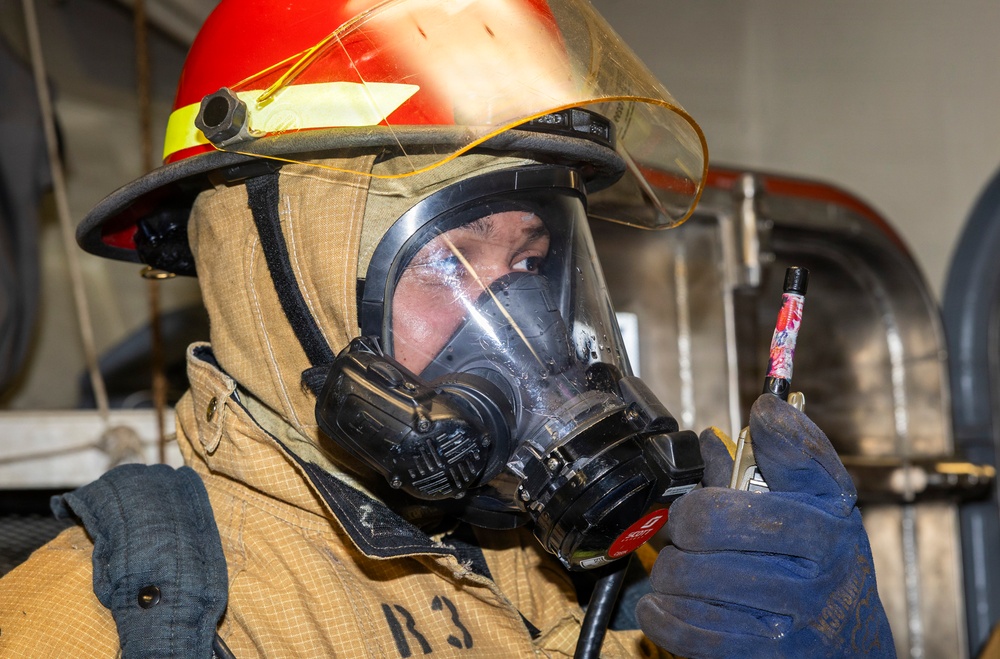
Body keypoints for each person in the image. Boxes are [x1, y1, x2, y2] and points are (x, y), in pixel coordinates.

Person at [0, 0, 895, 657]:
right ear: (271, 280)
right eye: (448, 261)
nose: (527, 331)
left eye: (531, 261)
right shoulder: (110, 623)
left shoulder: (631, 584)